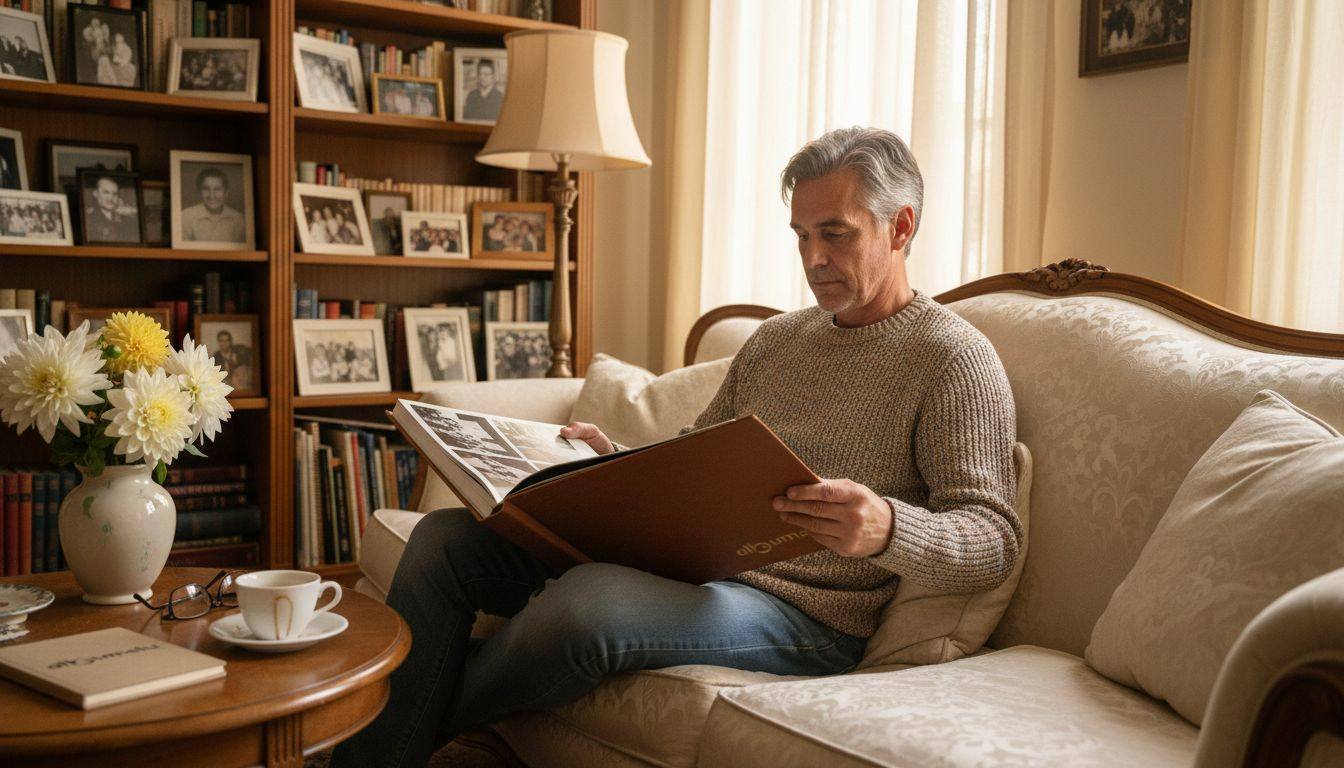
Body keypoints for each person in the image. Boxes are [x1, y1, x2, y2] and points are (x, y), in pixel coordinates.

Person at [330, 126, 1020, 768]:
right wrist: (613, 457)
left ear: (901, 226)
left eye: (835, 234)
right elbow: (698, 456)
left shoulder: (952, 358)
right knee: (445, 541)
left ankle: (371, 740)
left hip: (809, 618)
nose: (813, 259)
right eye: (801, 235)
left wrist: (886, 529)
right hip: (700, 569)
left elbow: (994, 538)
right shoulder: (779, 339)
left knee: (588, 605)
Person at [180, 167, 246, 243]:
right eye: (206, 189)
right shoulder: (186, 216)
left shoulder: (238, 219)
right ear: (199, 191)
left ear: (226, 192)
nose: (211, 195)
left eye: (217, 189)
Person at [83, 174, 139, 243]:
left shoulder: (128, 220)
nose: (110, 197)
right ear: (96, 193)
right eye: (106, 192)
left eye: (114, 194)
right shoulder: (89, 219)